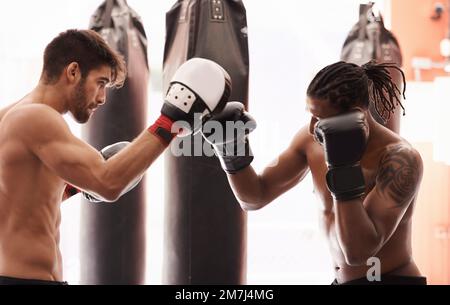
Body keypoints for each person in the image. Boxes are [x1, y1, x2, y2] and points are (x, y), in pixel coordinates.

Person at [0, 29, 231, 285]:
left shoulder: (11, 115)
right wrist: (172, 118)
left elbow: (19, 200)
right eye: (100, 83)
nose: (102, 98)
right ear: (73, 71)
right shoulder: (37, 118)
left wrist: (70, 188)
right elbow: (107, 182)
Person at [202, 60, 426, 285]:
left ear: (356, 115)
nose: (311, 128)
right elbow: (255, 197)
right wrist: (231, 150)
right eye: (310, 115)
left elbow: (358, 253)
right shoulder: (310, 141)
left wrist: (343, 166)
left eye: (320, 119)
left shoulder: (400, 159)